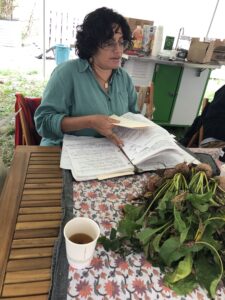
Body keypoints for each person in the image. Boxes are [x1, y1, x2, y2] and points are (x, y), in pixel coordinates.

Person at [34, 7, 138, 147]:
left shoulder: (124, 78)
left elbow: (134, 116)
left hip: (110, 151)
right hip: (63, 151)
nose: (118, 50)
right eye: (109, 43)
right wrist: (89, 122)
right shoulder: (66, 73)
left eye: (121, 42)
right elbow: (43, 123)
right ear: (91, 45)